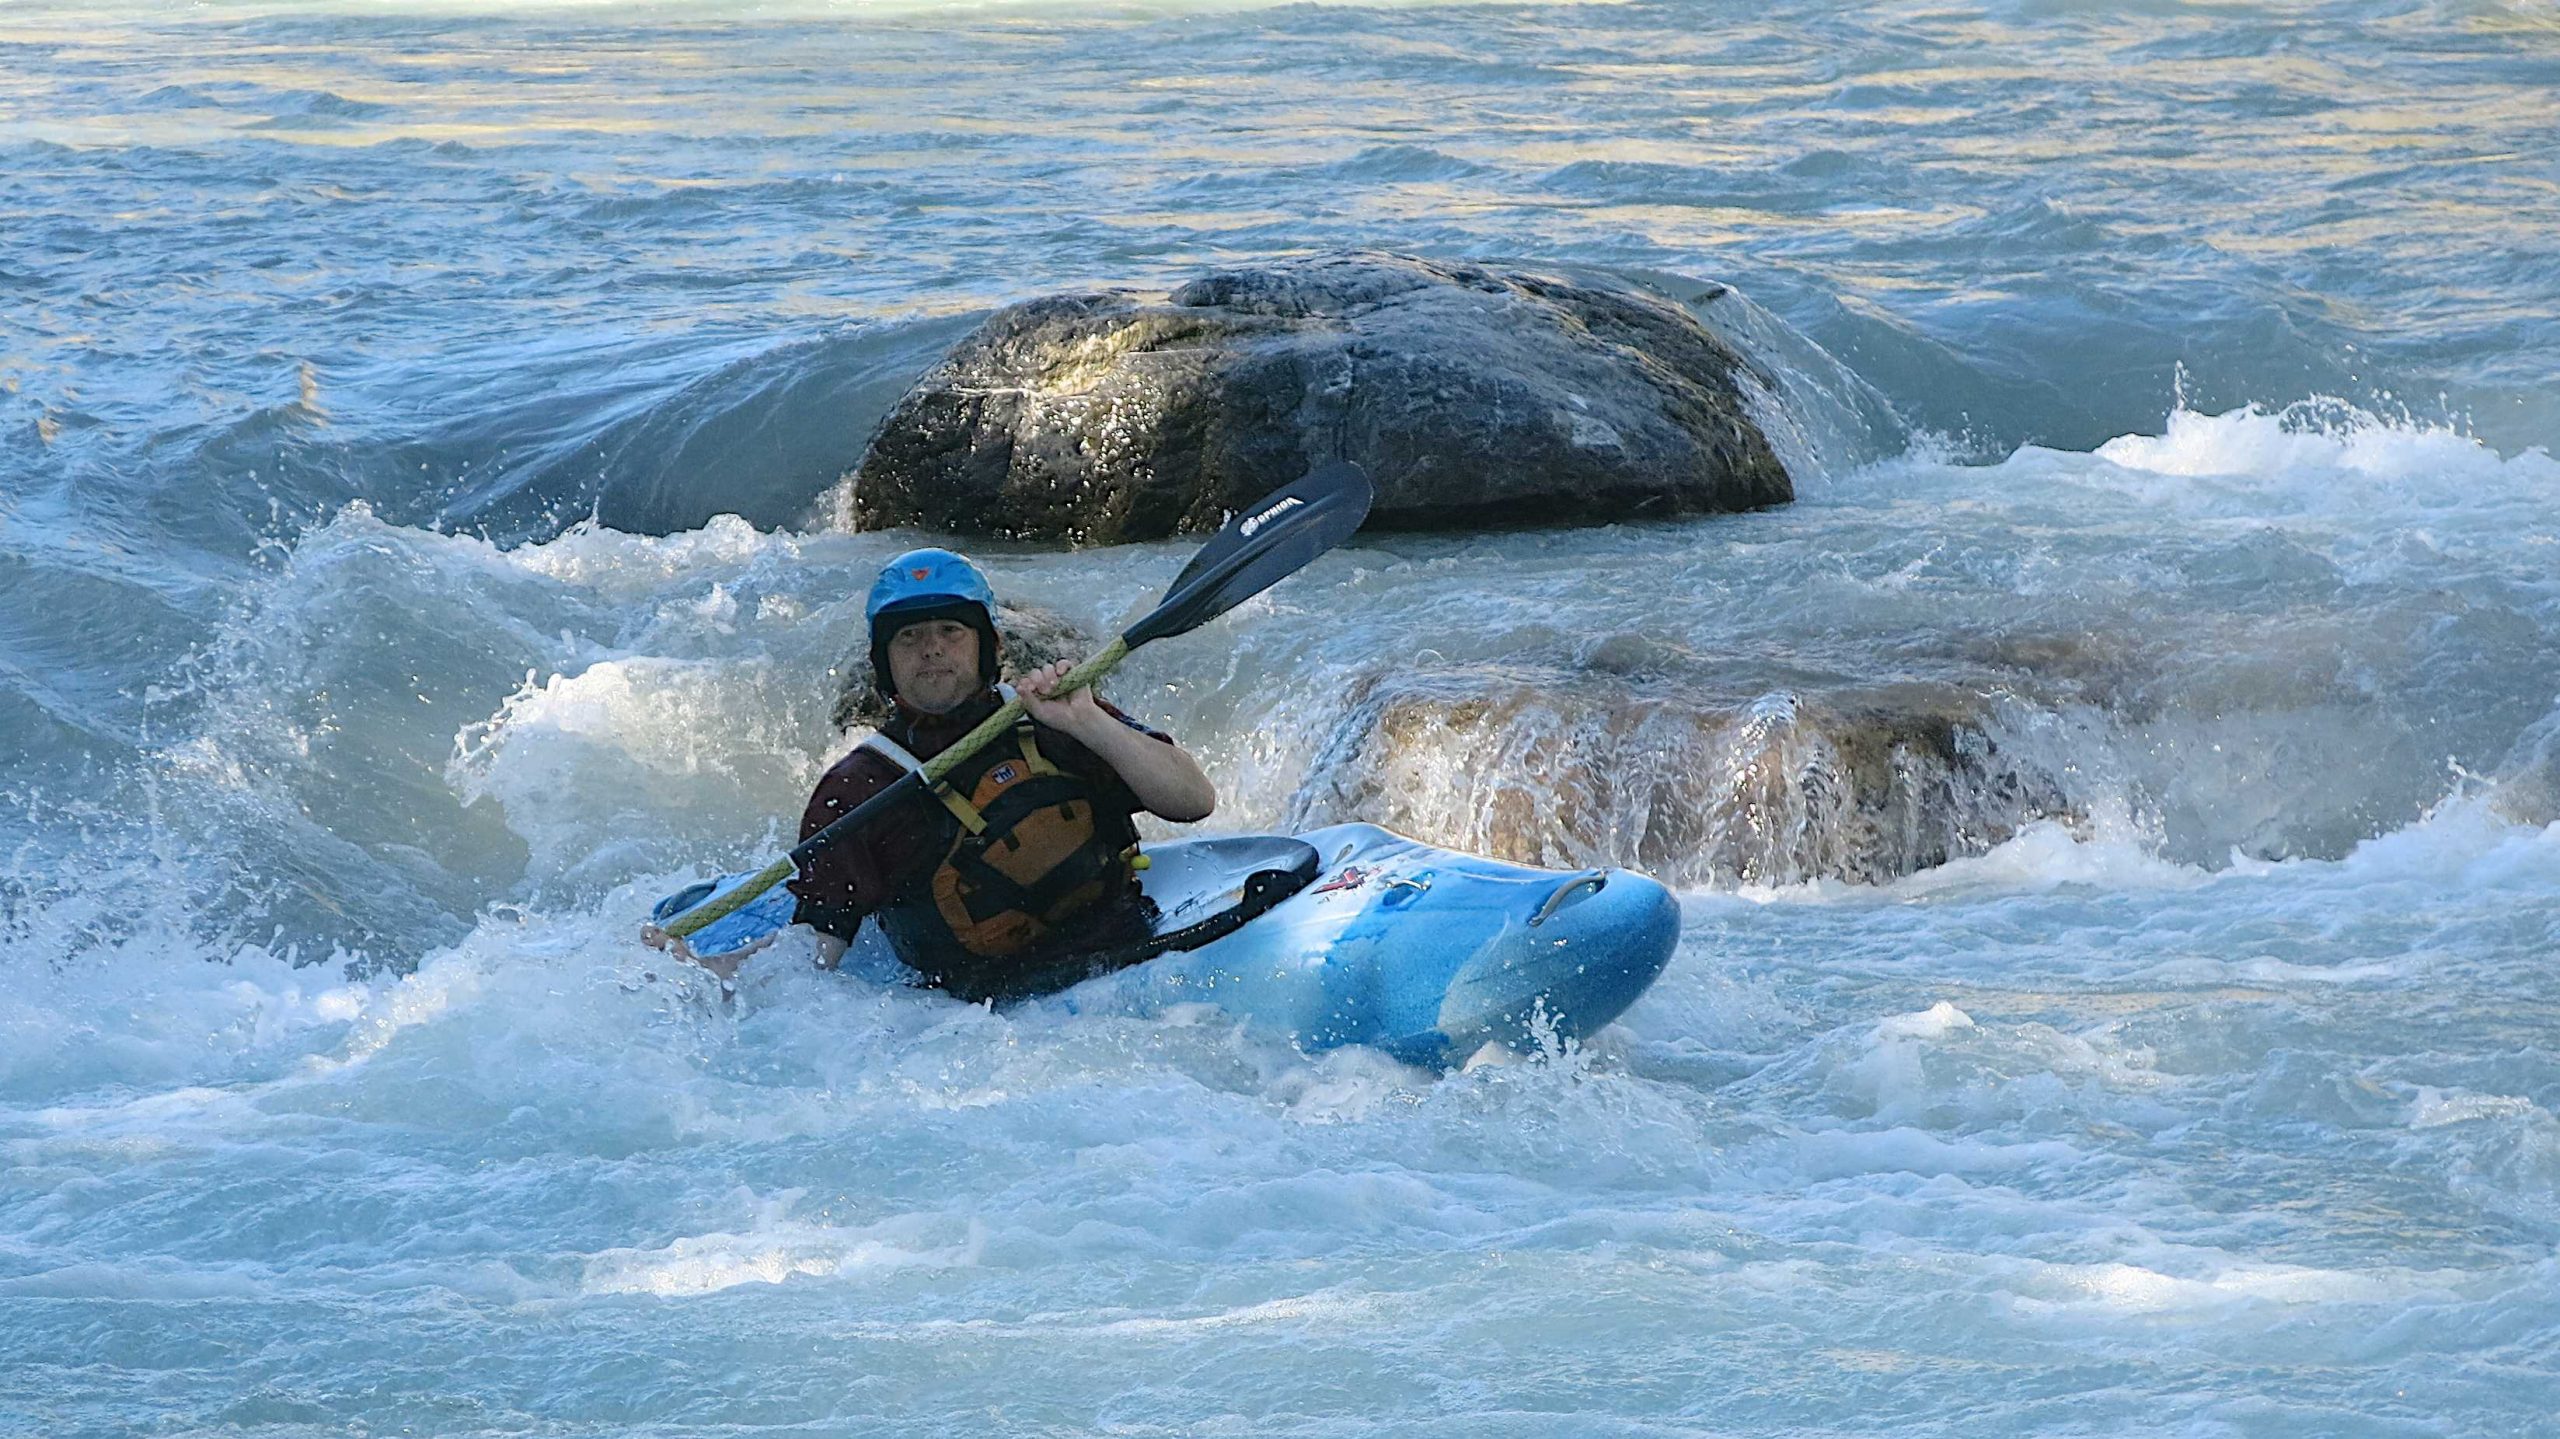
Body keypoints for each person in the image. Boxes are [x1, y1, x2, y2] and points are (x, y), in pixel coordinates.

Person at [785, 548, 1216, 1002]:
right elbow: (814, 953)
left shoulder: (1058, 716)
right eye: (909, 636)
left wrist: (1089, 723)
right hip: (975, 1013)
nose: (931, 648)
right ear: (884, 663)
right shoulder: (858, 789)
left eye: (950, 630)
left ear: (990, 647)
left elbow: (1194, 800)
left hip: (1127, 949)